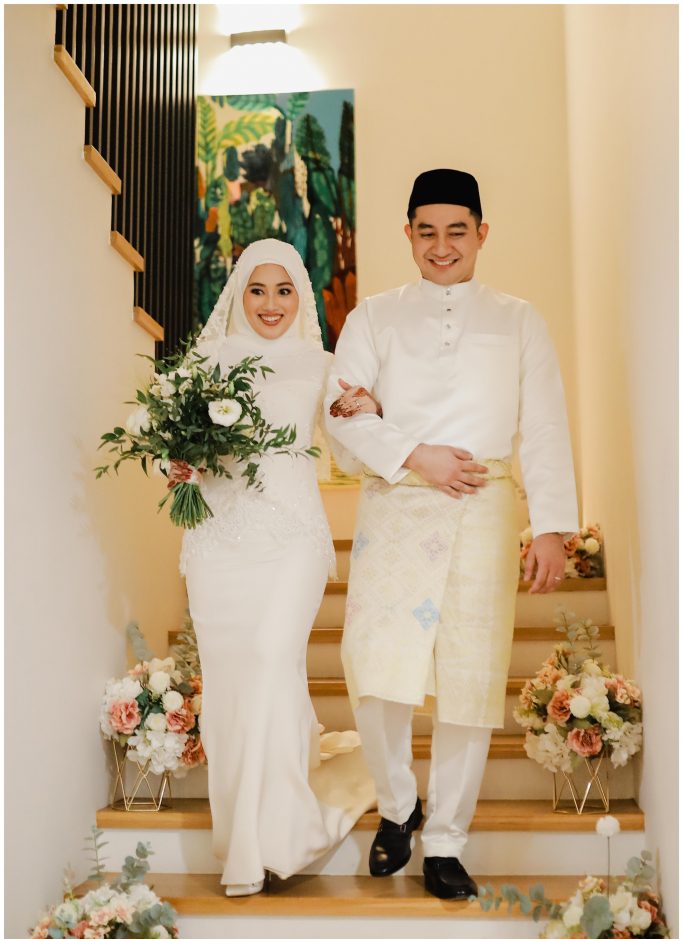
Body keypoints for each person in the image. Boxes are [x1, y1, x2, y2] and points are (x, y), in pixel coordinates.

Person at [325, 168, 579, 900]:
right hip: (396, 501)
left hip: (483, 503)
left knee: (469, 677)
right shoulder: (373, 316)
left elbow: (544, 425)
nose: (442, 246)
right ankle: (397, 805)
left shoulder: (518, 319)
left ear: (481, 233)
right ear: (408, 235)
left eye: (456, 231)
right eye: (427, 231)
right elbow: (342, 412)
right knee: (373, 665)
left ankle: (445, 841)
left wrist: (551, 526)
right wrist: (415, 454)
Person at [180, 238, 375, 896]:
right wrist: (176, 466)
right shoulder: (204, 363)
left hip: (292, 538)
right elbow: (175, 450)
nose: (271, 303)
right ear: (238, 294)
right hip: (217, 540)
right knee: (231, 683)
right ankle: (245, 838)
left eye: (284, 290)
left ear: (301, 297)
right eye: (258, 290)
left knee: (269, 658)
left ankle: (279, 835)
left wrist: (371, 413)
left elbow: (350, 454)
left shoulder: (322, 364)